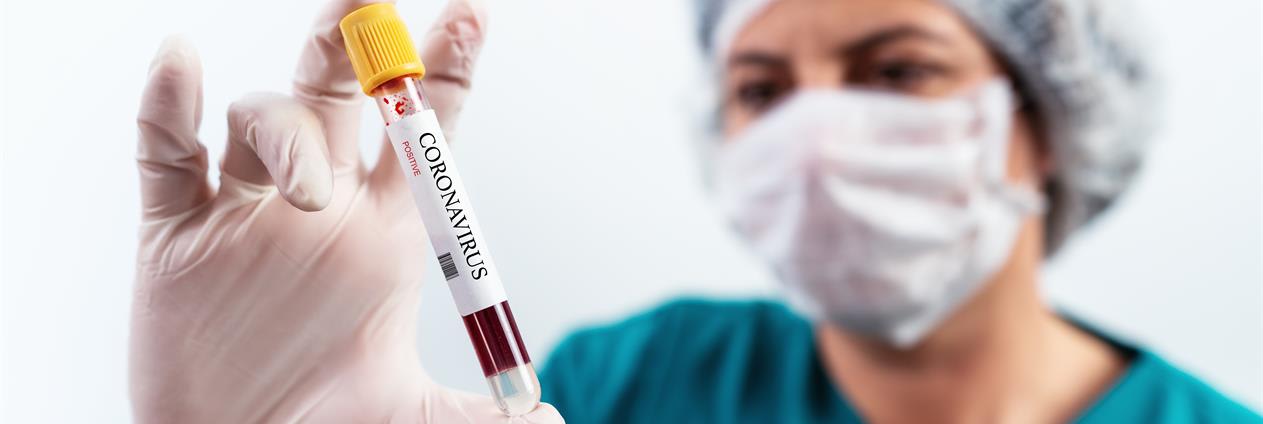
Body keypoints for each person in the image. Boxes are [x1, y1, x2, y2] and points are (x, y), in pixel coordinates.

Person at [128, 0, 1261, 422]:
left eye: (897, 69)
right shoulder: (623, 387)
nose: (816, 135)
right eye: (762, 89)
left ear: (1050, 119)